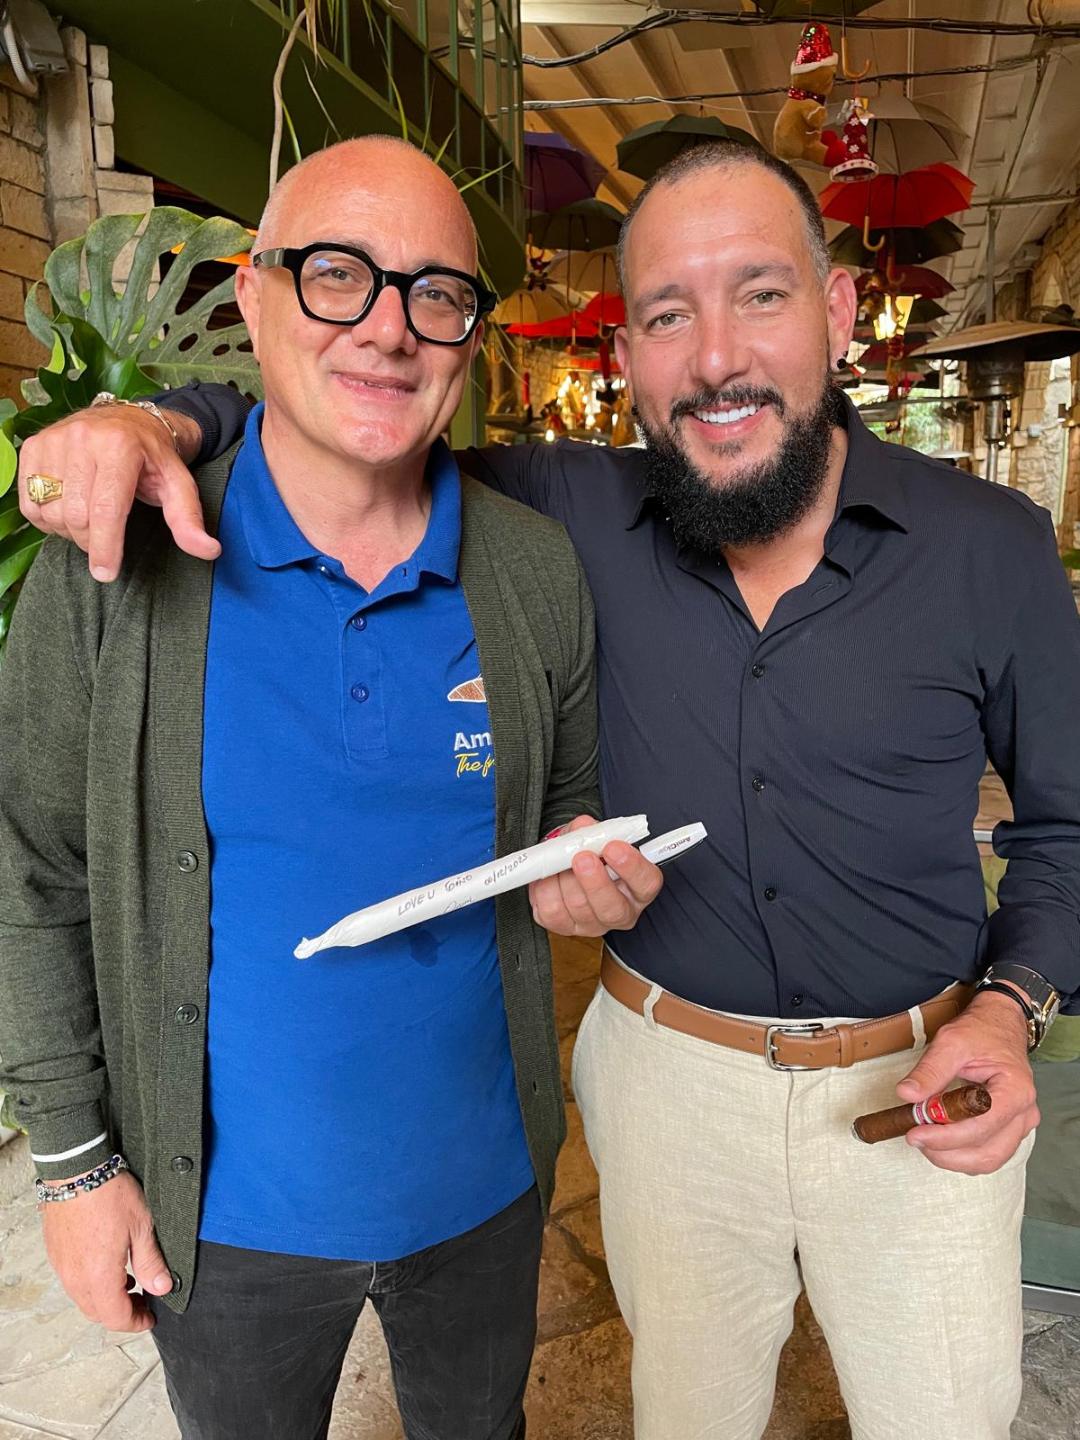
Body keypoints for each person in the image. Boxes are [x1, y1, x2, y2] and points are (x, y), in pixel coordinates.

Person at [17, 141, 1080, 1440]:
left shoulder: (982, 549)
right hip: (659, 1092)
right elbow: (347, 414)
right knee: (688, 1417)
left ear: (841, 310)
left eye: (761, 293)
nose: (717, 356)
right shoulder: (567, 511)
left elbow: (1069, 829)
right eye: (669, 315)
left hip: (910, 1081)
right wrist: (158, 420)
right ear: (625, 353)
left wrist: (1011, 1013)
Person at [0, 137, 664, 1440]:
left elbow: (568, 811)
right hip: (221, 1220)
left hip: (484, 1186)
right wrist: (74, 1166)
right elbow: (31, 868)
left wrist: (587, 878)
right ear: (253, 297)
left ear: (471, 339)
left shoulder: (533, 572)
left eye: (436, 293)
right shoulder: (119, 560)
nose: (388, 329)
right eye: (338, 275)